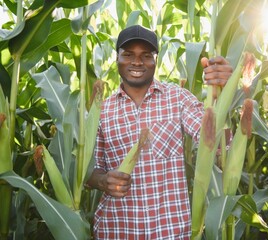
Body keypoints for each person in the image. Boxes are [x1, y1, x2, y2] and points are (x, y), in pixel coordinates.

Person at [87, 24, 233, 239]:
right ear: (117, 58)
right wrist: (102, 181)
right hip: (117, 230)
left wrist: (223, 94)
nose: (137, 62)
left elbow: (217, 144)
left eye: (146, 55)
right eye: (128, 54)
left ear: (156, 60)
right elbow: (88, 170)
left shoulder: (178, 99)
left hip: (170, 232)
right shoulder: (101, 111)